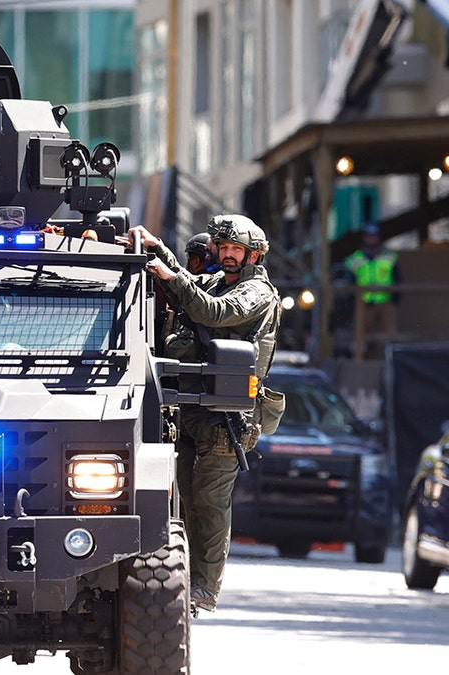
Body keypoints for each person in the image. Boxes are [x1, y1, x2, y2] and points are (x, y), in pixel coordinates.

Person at [124, 214, 281, 614]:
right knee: (184, 501)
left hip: (227, 418)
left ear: (253, 255)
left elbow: (212, 311)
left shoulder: (256, 293)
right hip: (195, 407)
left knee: (210, 504)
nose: (226, 255)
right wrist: (156, 247)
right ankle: (186, 580)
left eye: (235, 250)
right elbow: (187, 286)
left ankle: (205, 589)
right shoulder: (216, 282)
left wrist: (168, 273)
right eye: (222, 248)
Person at [344, 222, 401, 360]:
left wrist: (394, 300)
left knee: (388, 337)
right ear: (364, 238)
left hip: (385, 303)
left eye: (374, 236)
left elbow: (398, 280)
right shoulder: (355, 259)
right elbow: (350, 282)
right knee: (363, 337)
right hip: (363, 304)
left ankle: (390, 363)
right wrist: (352, 303)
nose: (372, 239)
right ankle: (364, 363)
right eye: (369, 236)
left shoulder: (389, 258)